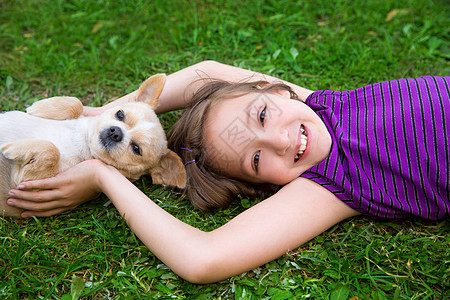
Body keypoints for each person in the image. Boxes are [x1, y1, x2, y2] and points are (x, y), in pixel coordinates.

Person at [6, 61, 449, 284]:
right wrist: (105, 175)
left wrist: (100, 119)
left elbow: (206, 72)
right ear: (266, 186)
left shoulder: (317, 104)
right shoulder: (329, 183)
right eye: (257, 161)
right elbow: (203, 258)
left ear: (271, 89)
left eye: (261, 114)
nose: (279, 140)